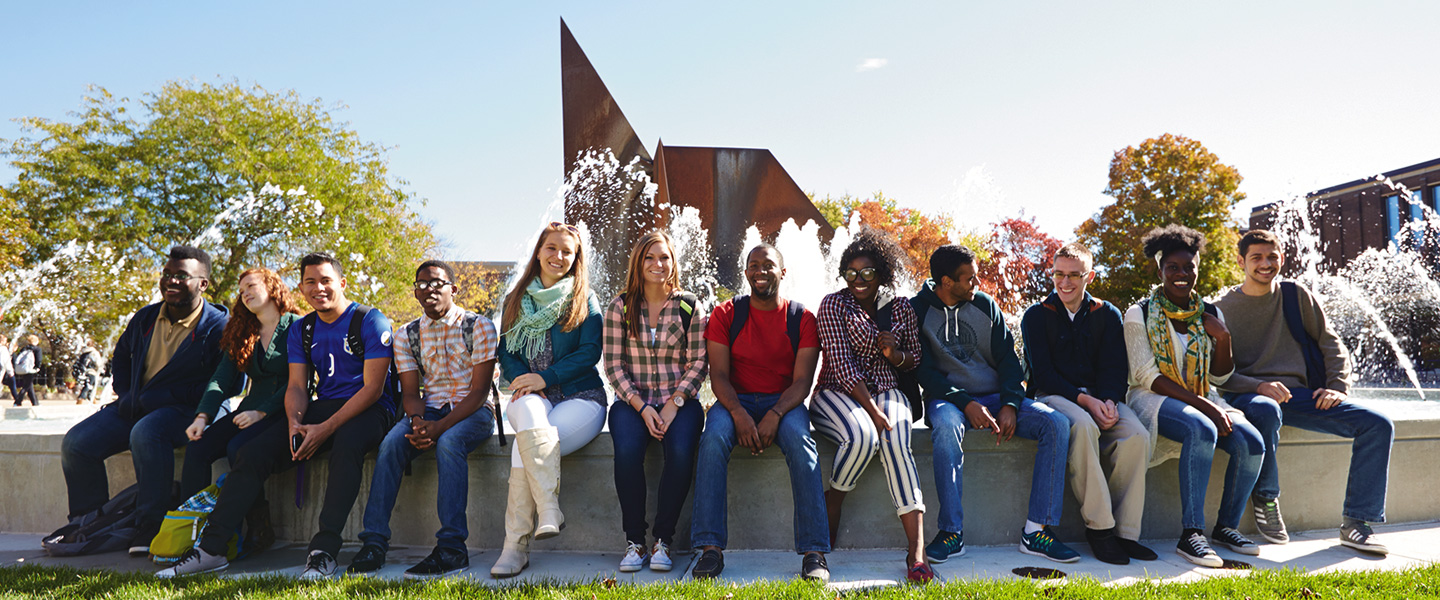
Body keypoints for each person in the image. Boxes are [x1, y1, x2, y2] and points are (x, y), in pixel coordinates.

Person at [159, 252, 395, 579]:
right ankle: (211, 549)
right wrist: (296, 422)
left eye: (326, 280)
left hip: (371, 408)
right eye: (310, 282)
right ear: (301, 287)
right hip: (325, 406)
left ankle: (323, 552)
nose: (318, 288)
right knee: (250, 452)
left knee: (347, 444)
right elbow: (297, 386)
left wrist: (324, 429)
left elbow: (373, 389)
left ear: (341, 283)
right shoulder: (304, 329)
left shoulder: (370, 320)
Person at [1215, 229, 1394, 554]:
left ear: (1282, 258)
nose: (1265, 264)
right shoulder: (1221, 308)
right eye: (1256, 257)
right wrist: (1258, 386)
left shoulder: (1296, 296)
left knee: (1378, 424)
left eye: (1272, 257)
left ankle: (1356, 523)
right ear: (1241, 261)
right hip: (1248, 396)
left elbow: (1330, 343)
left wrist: (1337, 386)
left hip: (1298, 396)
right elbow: (1217, 375)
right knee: (1267, 409)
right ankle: (1267, 497)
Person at [913, 244, 1078, 564]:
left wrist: (1012, 404)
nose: (978, 285)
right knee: (946, 427)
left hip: (996, 396)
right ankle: (951, 533)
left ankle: (1036, 532)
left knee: (1055, 423)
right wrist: (965, 402)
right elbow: (925, 373)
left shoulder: (986, 305)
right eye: (970, 279)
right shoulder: (916, 310)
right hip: (947, 400)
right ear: (947, 282)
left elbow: (1009, 362)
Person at [61, 246, 228, 556]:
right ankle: (89, 520)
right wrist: (126, 394)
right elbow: (121, 357)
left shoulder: (218, 327)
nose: (171, 281)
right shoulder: (145, 318)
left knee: (147, 432)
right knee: (77, 443)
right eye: (167, 274)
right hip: (137, 405)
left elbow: (222, 384)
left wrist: (161, 398)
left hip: (190, 411)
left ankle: (150, 522)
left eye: (181, 276)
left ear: (202, 283)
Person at [1121, 224, 1266, 567]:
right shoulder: (1138, 314)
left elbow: (1220, 376)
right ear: (1160, 271)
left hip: (1203, 396)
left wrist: (1225, 338)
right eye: (1174, 268)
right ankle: (1192, 535)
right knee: (1201, 427)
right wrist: (1205, 407)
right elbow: (1146, 375)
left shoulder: (1211, 313)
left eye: (1190, 268)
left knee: (1252, 443)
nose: (1182, 274)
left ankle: (1226, 527)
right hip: (1151, 398)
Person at [348, 260, 498, 578]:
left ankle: (452, 549)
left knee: (450, 442)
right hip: (429, 410)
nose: (429, 289)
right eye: (422, 284)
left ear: (453, 289)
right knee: (391, 443)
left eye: (437, 283)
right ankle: (374, 543)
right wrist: (417, 423)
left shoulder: (478, 326)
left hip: (473, 411)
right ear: (415, 292)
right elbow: (411, 392)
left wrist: (439, 428)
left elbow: (479, 392)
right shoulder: (406, 334)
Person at [690, 243, 830, 583]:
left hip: (784, 402)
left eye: (768, 265)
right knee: (711, 442)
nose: (760, 271)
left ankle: (814, 553)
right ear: (746, 272)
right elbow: (718, 376)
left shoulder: (801, 318)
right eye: (753, 265)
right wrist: (737, 413)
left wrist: (776, 413)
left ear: (782, 272)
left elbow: (802, 382)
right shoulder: (726, 314)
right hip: (734, 400)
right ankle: (710, 549)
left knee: (801, 443)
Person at [1020, 242, 1155, 565]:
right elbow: (1044, 376)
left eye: (1074, 276)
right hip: (1054, 396)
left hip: (1099, 396)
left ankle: (1125, 533)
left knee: (1136, 435)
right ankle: (1100, 528)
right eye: (1058, 275)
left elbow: (1114, 367)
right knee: (1081, 426)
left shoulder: (1106, 314)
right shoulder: (1037, 316)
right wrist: (1088, 403)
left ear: (1089, 276)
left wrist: (1107, 401)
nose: (1065, 283)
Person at [811, 230, 932, 582]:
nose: (858, 280)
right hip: (837, 392)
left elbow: (916, 360)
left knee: (896, 440)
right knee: (864, 437)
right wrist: (872, 411)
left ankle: (917, 551)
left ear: (882, 272)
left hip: (887, 388)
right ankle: (833, 500)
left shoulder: (900, 307)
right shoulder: (833, 305)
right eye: (850, 272)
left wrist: (895, 354)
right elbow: (841, 364)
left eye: (866, 272)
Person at [490, 222, 608, 578]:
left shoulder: (583, 297)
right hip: (533, 396)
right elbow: (506, 351)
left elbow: (590, 352)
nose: (558, 256)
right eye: (551, 248)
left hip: (581, 397)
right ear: (539, 251)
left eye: (566, 251)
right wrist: (525, 381)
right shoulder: (516, 298)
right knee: (528, 419)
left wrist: (546, 376)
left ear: (576, 258)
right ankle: (549, 508)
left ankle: (514, 548)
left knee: (524, 446)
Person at [603, 231, 708, 573]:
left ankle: (663, 540)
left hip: (679, 400)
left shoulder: (689, 306)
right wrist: (641, 406)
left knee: (679, 453)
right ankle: (635, 542)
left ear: (673, 262)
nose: (657, 264)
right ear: (638, 262)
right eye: (649, 257)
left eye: (664, 257)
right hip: (632, 402)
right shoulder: (620, 307)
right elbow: (613, 365)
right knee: (628, 453)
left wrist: (674, 402)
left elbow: (697, 362)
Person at [176, 268, 301, 553]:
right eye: (241, 290)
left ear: (272, 287)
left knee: (237, 448)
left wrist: (263, 413)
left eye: (251, 286)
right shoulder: (244, 331)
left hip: (285, 411)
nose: (244, 293)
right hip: (247, 411)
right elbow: (221, 377)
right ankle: (188, 526)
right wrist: (202, 416)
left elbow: (302, 381)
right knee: (197, 447)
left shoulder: (298, 326)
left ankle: (260, 526)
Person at [12, 334, 44, 406]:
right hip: (31, 369)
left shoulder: (24, 348)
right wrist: (37, 367)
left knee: (29, 386)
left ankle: (35, 403)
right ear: (36, 341)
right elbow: (39, 359)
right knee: (26, 386)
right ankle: (17, 402)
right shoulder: (37, 349)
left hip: (23, 368)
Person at [72, 340, 105, 404]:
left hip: (83, 371)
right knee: (89, 385)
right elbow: (98, 362)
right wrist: (100, 368)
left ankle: (92, 398)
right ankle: (81, 398)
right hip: (92, 371)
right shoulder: (94, 352)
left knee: (88, 384)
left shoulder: (83, 352)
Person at [1, 334, 17, 402]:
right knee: (12, 385)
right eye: (5, 340)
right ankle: (17, 400)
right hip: (2, 369)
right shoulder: (3, 349)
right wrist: (10, 372)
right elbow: (6, 361)